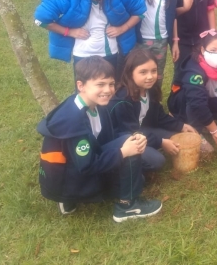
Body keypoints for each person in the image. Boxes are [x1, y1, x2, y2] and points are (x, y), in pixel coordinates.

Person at [36, 57, 162, 222]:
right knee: (129, 152)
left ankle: (70, 198)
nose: (108, 90)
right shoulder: (74, 121)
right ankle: (127, 207)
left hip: (70, 170)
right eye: (100, 84)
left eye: (111, 84)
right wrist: (123, 152)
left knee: (130, 144)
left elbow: (103, 141)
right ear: (81, 85)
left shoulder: (92, 104)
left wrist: (132, 139)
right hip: (69, 179)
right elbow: (87, 165)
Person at [108, 49, 198, 172]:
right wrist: (161, 142)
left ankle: (151, 146)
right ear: (130, 74)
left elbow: (159, 116)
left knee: (175, 137)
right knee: (157, 160)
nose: (150, 77)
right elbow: (131, 132)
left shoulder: (149, 90)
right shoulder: (123, 99)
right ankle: (126, 165)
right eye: (143, 72)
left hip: (140, 131)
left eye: (153, 71)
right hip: (123, 138)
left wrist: (181, 125)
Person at [167, 30, 217, 152]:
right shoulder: (193, 68)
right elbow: (197, 103)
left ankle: (206, 120)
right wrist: (215, 131)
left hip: (211, 98)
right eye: (213, 49)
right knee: (195, 103)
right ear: (202, 50)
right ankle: (194, 130)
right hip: (185, 102)